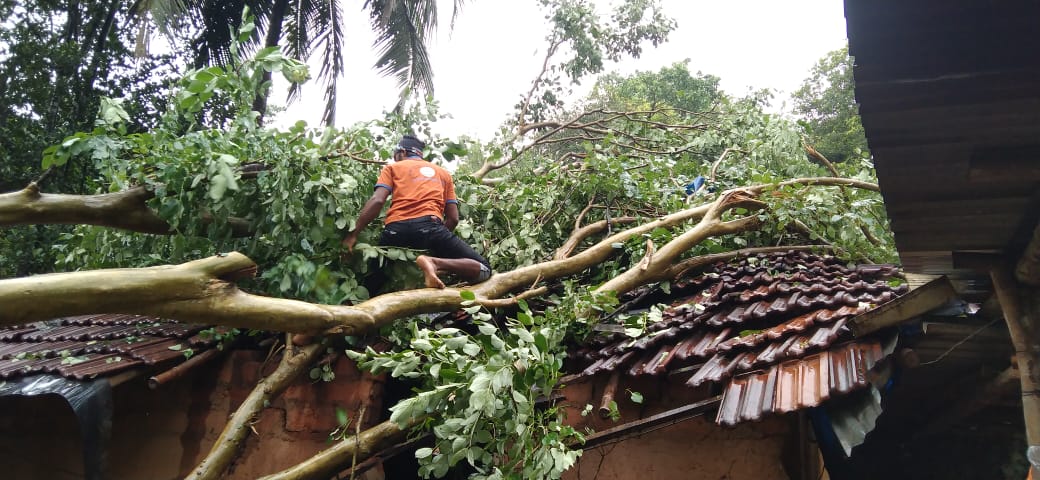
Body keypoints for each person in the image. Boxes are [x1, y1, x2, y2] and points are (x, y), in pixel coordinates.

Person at [342, 135, 492, 290]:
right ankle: (435, 262)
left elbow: (377, 200)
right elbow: (453, 218)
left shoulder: (392, 168)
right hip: (431, 226)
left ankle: (357, 304)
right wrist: (435, 243)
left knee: (374, 281)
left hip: (395, 231)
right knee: (484, 268)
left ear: (401, 152)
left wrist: (353, 235)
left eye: (396, 157)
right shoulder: (443, 174)